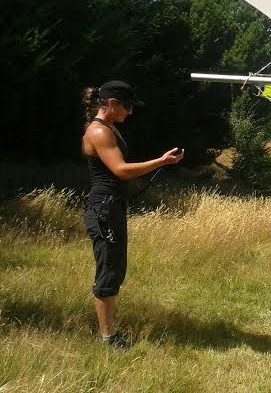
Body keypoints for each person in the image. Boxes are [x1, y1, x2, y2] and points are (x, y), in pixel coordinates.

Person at [81, 80, 184, 348]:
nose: (130, 112)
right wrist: (161, 162)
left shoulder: (109, 128)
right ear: (112, 104)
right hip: (104, 209)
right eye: (127, 106)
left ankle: (108, 332)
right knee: (109, 270)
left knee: (115, 268)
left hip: (110, 207)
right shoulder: (100, 132)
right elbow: (120, 170)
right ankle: (107, 338)